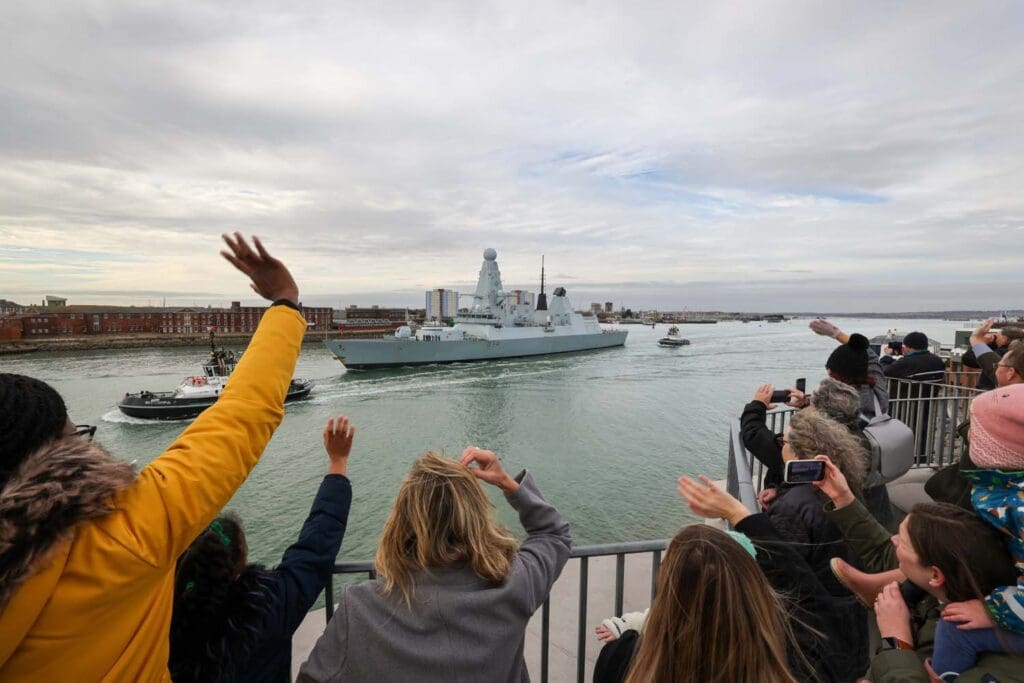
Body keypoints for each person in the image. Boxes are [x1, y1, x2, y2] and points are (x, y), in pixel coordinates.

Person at [0, 234, 306, 681]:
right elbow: (243, 413)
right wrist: (285, 302)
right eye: (76, 435)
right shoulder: (132, 530)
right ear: (54, 456)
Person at [297, 447, 571, 683]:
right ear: (476, 517)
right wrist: (507, 482)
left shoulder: (359, 610)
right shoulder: (515, 583)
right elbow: (554, 534)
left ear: (402, 522)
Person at [170, 416, 356, 683]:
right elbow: (316, 546)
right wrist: (338, 463)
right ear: (238, 566)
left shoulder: (160, 620)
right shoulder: (268, 610)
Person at [813, 455, 1021, 681]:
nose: (893, 541)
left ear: (935, 575)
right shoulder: (958, 575)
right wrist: (842, 497)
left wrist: (896, 641)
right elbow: (887, 553)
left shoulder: (976, 645)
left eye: (902, 542)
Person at [596, 523, 801, 683]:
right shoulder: (791, 661)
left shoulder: (619, 660)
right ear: (755, 594)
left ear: (668, 591)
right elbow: (816, 598)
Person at [926, 384, 1024, 680]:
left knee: (955, 627)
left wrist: (992, 611)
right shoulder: (1006, 488)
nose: (968, 437)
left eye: (976, 434)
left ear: (997, 449)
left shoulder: (1018, 506)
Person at [765, 409, 869, 596]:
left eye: (784, 442)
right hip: (849, 595)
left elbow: (780, 568)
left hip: (814, 606)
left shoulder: (790, 507)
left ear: (797, 454)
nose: (781, 446)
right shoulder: (845, 486)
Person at [925, 322, 1024, 508]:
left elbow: (981, 439)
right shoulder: (1013, 383)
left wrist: (967, 428)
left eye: (1000, 364)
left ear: (1010, 373)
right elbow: (990, 362)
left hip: (983, 496)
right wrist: (976, 341)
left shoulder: (999, 409)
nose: (995, 367)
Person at [809, 318, 889, 419]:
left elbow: (814, 427)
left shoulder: (840, 406)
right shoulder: (878, 391)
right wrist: (836, 334)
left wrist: (803, 404)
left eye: (831, 374)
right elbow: (869, 355)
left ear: (841, 378)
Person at [961, 323, 1024, 391]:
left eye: (997, 336)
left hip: (989, 392)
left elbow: (968, 359)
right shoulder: (1020, 353)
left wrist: (984, 342)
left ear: (1004, 339)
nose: (994, 337)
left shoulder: (1003, 353)